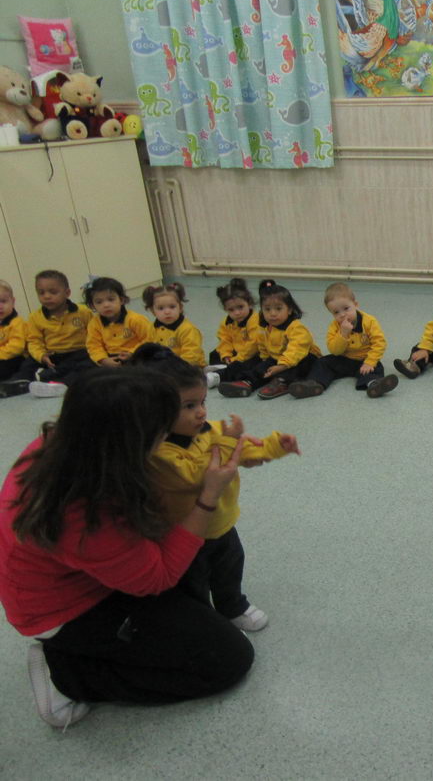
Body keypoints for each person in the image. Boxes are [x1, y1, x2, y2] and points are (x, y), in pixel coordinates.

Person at [0, 368, 254, 728]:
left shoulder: (69, 441)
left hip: (95, 572)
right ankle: (67, 674)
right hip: (68, 609)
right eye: (162, 431)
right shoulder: (84, 512)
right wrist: (208, 496)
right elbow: (158, 578)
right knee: (228, 659)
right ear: (129, 441)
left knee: (194, 594)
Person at [129, 344, 299, 632]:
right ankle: (201, 619)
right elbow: (194, 475)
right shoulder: (157, 451)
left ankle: (232, 605)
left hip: (221, 522)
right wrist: (228, 442)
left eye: (203, 402)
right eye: (189, 406)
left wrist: (273, 446)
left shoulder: (207, 430)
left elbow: (242, 451)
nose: (201, 413)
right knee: (192, 581)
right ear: (153, 411)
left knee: (229, 567)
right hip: (184, 532)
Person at [289, 282, 399, 399]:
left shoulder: (369, 322)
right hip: (344, 358)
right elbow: (335, 350)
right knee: (322, 362)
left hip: (364, 359)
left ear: (355, 305)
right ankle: (314, 384)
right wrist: (343, 334)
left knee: (376, 367)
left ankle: (374, 385)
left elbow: (379, 343)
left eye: (346, 308)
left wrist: (370, 362)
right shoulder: (334, 326)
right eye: (336, 312)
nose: (342, 315)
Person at [218, 280, 320, 399]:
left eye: (278, 309)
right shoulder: (265, 327)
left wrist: (282, 365)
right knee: (261, 367)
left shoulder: (296, 327)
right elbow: (263, 345)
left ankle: (282, 382)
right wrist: (265, 360)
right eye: (267, 309)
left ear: (290, 309)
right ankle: (248, 383)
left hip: (304, 358)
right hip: (278, 357)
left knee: (295, 368)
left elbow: (296, 349)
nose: (272, 314)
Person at [0, 270, 94, 399]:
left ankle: (60, 383)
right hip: (51, 356)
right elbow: (34, 341)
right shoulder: (35, 317)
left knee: (88, 365)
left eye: (53, 292)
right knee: (29, 363)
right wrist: (41, 355)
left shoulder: (83, 312)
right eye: (41, 293)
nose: (47, 296)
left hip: (79, 352)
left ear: (67, 293)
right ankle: (16, 383)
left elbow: (95, 334)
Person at [84, 276, 152, 368]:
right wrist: (103, 360)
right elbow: (93, 346)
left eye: (111, 299)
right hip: (109, 358)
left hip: (137, 356)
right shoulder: (94, 324)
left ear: (121, 300)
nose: (106, 305)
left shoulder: (135, 319)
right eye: (99, 302)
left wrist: (133, 353)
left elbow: (149, 339)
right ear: (92, 306)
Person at [143, 282, 209, 371]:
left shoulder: (187, 329)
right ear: (152, 311)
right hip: (164, 366)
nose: (167, 312)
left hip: (190, 367)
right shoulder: (153, 327)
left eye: (172, 307)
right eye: (161, 308)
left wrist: (173, 368)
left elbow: (192, 355)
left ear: (180, 307)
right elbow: (149, 348)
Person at [210, 277, 262, 384]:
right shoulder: (226, 321)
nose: (237, 313)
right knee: (214, 354)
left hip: (253, 354)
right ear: (225, 309)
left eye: (240, 307)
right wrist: (226, 355)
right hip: (237, 351)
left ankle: (220, 375)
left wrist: (237, 359)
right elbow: (225, 340)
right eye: (231, 310)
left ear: (249, 303)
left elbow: (253, 346)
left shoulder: (256, 321)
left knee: (248, 365)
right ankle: (225, 367)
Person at [0, 279, 27, 385]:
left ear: (13, 302)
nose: (0, 306)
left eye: (3, 301)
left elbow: (17, 347)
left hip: (15, 358)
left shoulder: (17, 322)